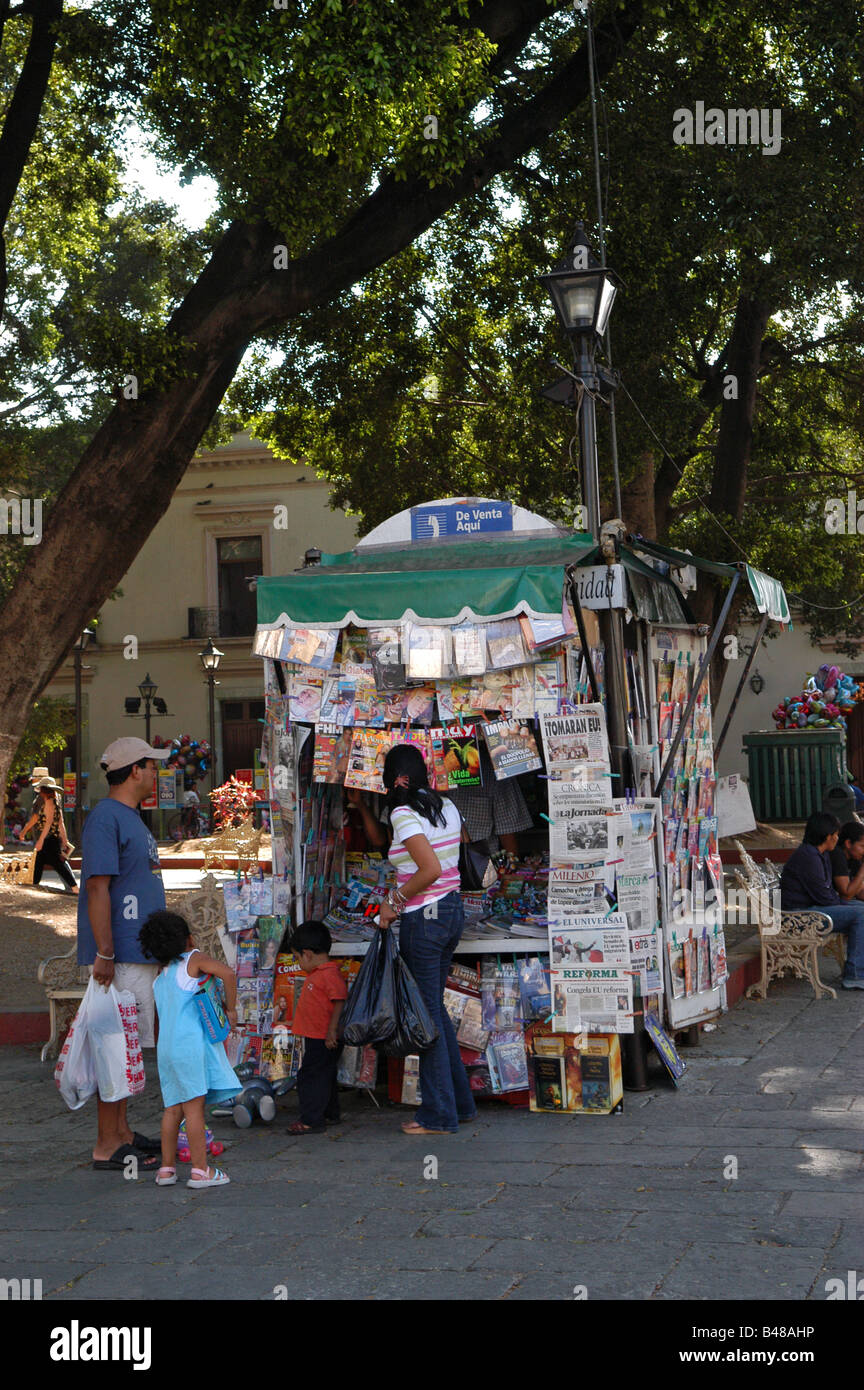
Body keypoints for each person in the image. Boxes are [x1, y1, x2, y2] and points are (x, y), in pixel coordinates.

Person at [77, 737, 172, 1170]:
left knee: (128, 1047)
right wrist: (106, 952)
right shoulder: (106, 818)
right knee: (114, 1047)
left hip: (139, 952)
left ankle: (122, 1132)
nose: (155, 773)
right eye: (151, 767)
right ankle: (106, 1144)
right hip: (123, 955)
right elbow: (98, 886)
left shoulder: (131, 818)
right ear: (134, 770)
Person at [377, 743, 477, 1135]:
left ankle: (438, 1115)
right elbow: (454, 852)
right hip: (451, 913)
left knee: (427, 1016)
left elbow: (429, 868)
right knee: (433, 1010)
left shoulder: (402, 813)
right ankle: (460, 1104)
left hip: (425, 917)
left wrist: (394, 902)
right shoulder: (445, 806)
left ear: (392, 778)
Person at [138, 909, 240, 1188]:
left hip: (166, 1050)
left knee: (172, 1110)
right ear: (188, 939)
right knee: (194, 1111)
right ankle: (200, 1171)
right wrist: (231, 1010)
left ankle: (166, 1169)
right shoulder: (193, 960)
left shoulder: (161, 974)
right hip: (189, 1048)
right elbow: (228, 974)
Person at [779, 811, 864, 989]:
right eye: (836, 835)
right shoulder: (808, 856)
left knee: (859, 909)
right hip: (797, 915)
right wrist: (845, 905)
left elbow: (827, 893)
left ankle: (856, 969)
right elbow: (824, 897)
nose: (837, 838)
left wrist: (846, 904)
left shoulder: (820, 854)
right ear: (828, 836)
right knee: (860, 914)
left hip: (812, 908)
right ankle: (854, 975)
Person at [287, 920, 347, 1135]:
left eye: (297, 957)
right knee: (325, 1076)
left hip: (323, 1037)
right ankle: (330, 1114)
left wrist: (332, 1030)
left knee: (310, 1077)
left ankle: (311, 1120)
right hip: (317, 1036)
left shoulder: (328, 974)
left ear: (307, 954)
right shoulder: (319, 973)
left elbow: (339, 999)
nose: (298, 962)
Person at [448, 742, 533, 857]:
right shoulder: (434, 770)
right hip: (462, 861)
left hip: (478, 862)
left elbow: (507, 829)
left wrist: (511, 867)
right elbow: (507, 829)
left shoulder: (495, 771)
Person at [17, 776, 77, 892]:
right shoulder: (55, 801)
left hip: (48, 840)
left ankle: (74, 888)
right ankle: (34, 886)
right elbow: (60, 823)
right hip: (52, 840)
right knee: (40, 864)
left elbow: (48, 824)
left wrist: (40, 841)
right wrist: (64, 840)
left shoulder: (49, 802)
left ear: (44, 790)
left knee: (57, 865)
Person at [830, 820, 864, 901]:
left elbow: (860, 891)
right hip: (816, 907)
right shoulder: (837, 854)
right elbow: (846, 896)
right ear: (848, 843)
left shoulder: (855, 857)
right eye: (862, 846)